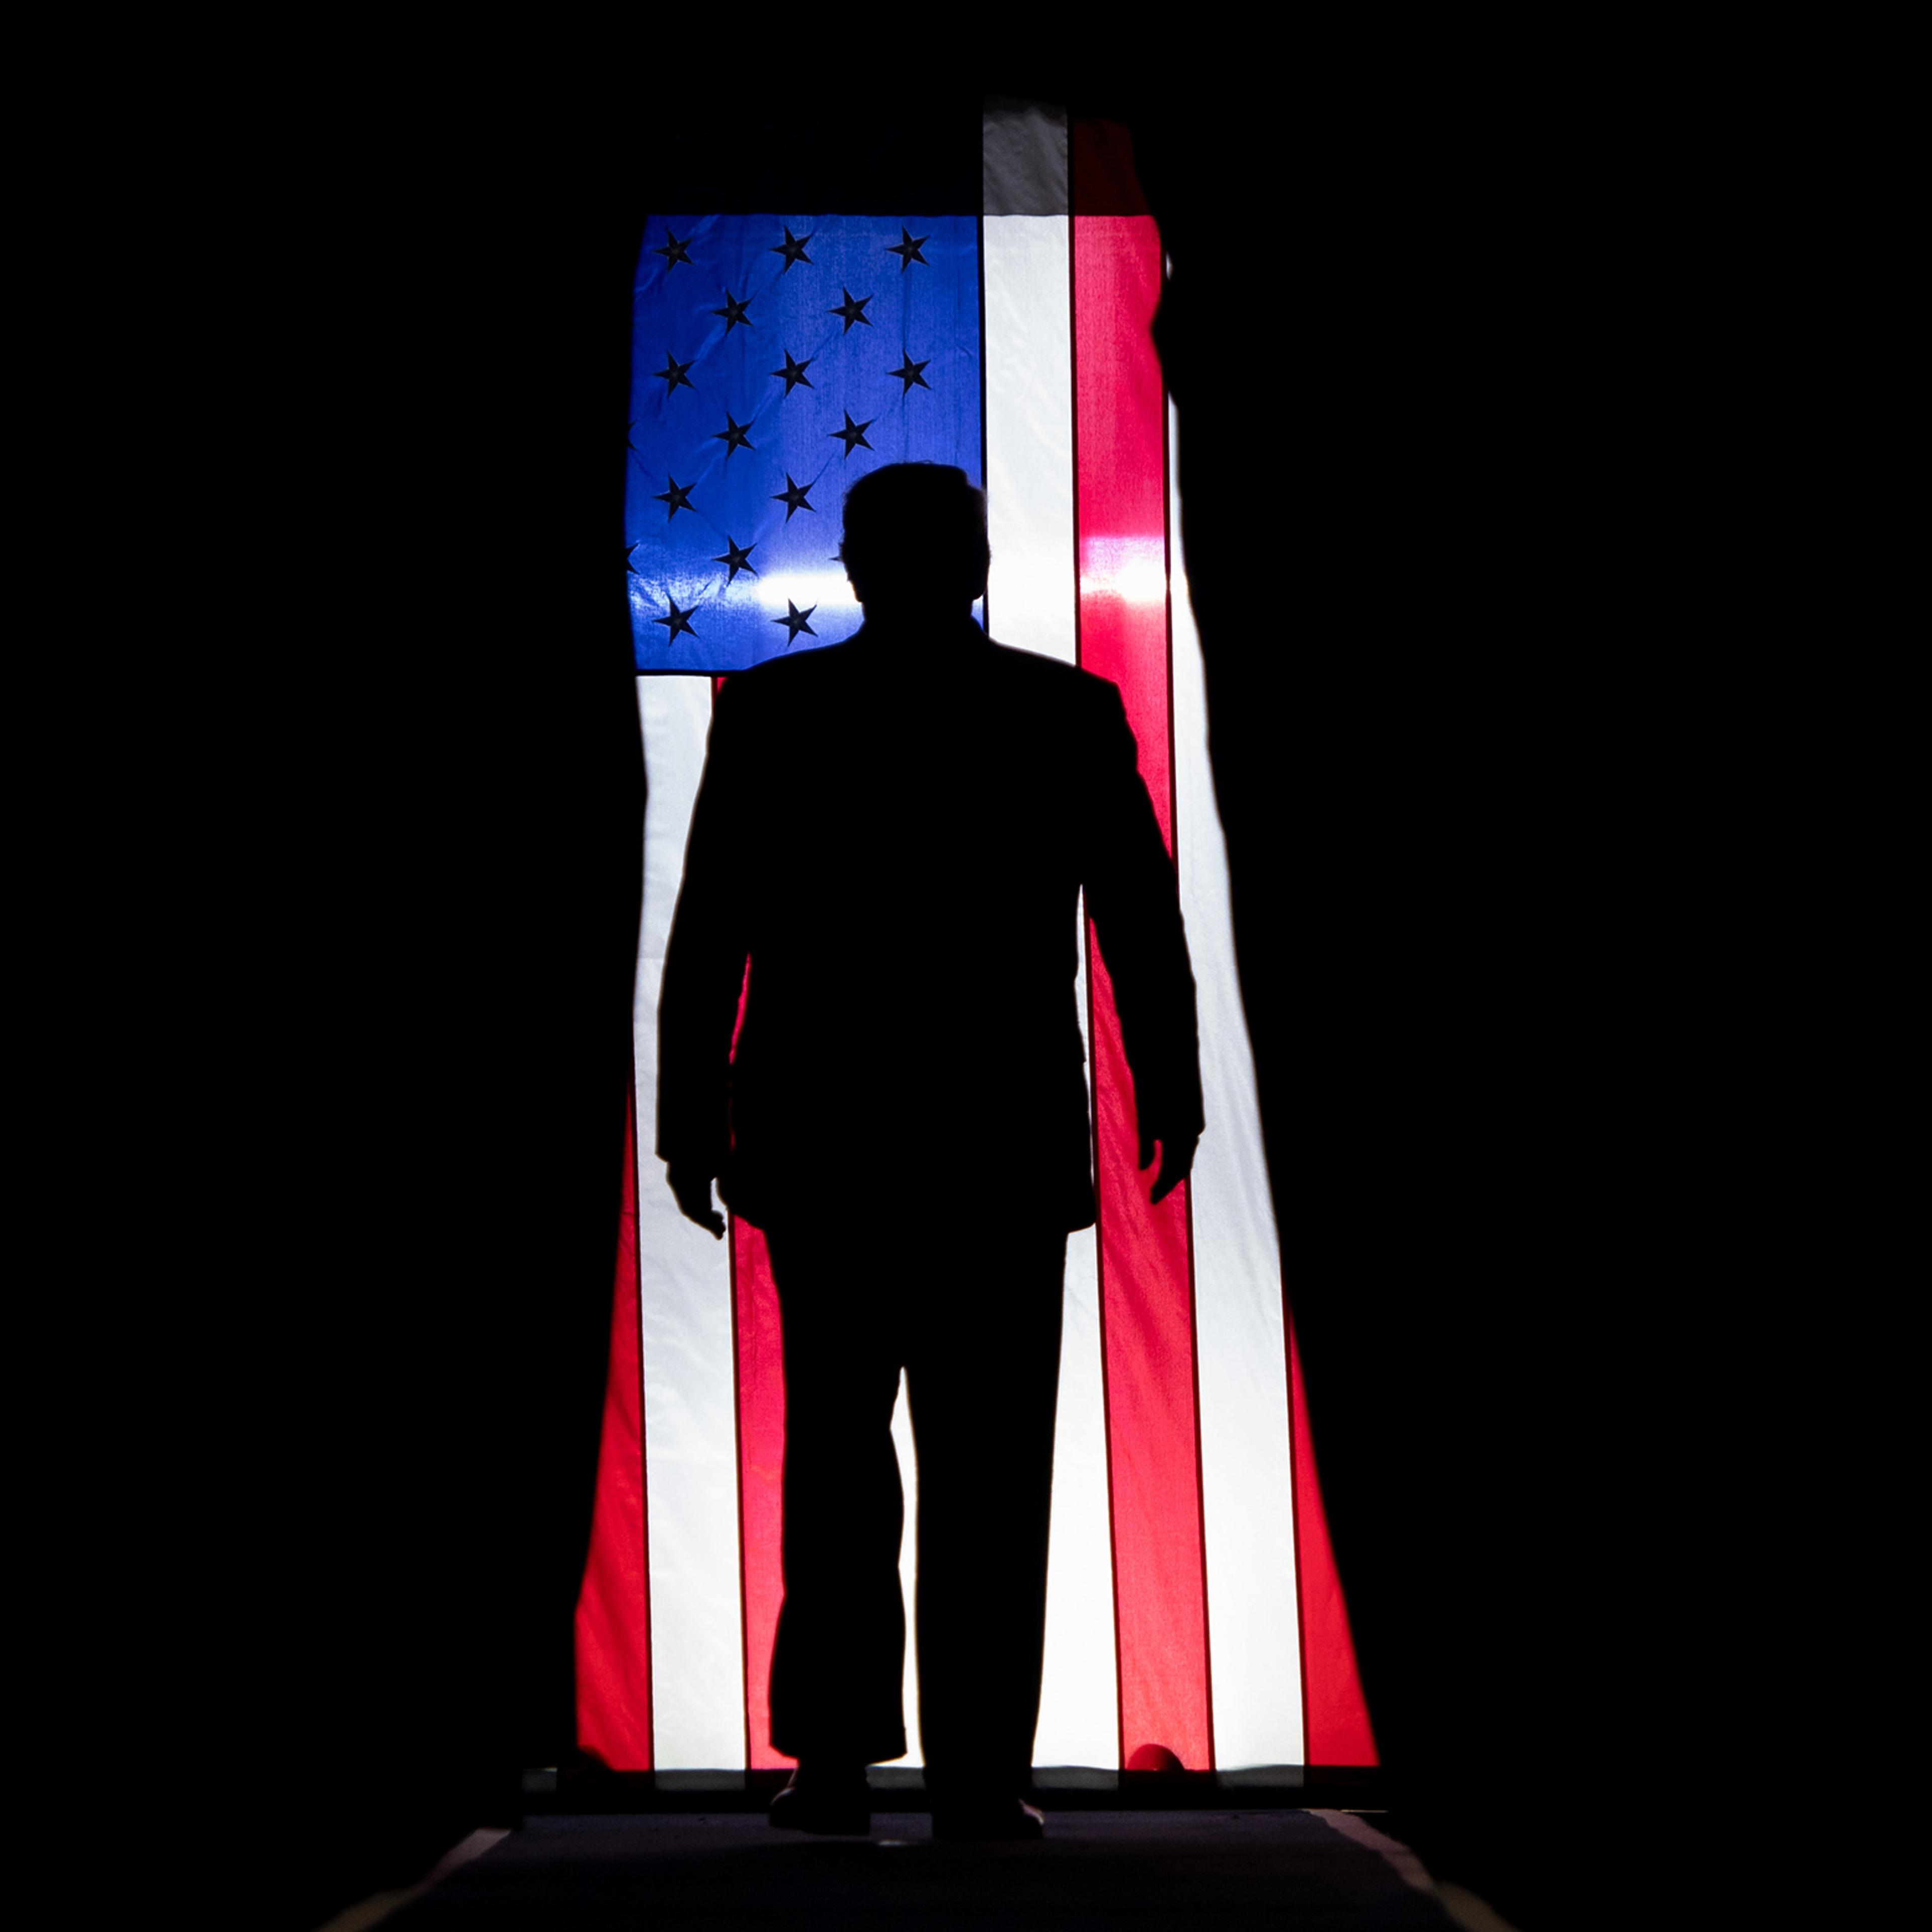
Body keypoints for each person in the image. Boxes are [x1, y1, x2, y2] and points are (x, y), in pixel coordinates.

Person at [657, 462, 1202, 1840]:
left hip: (827, 1141)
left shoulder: (779, 715)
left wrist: (687, 1116)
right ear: (977, 565)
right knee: (989, 1471)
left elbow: (712, 926)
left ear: (852, 569)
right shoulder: (1063, 714)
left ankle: (836, 1766)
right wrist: (1172, 1083)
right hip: (997, 1145)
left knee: (836, 1463)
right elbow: (1138, 919)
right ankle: (973, 1777)